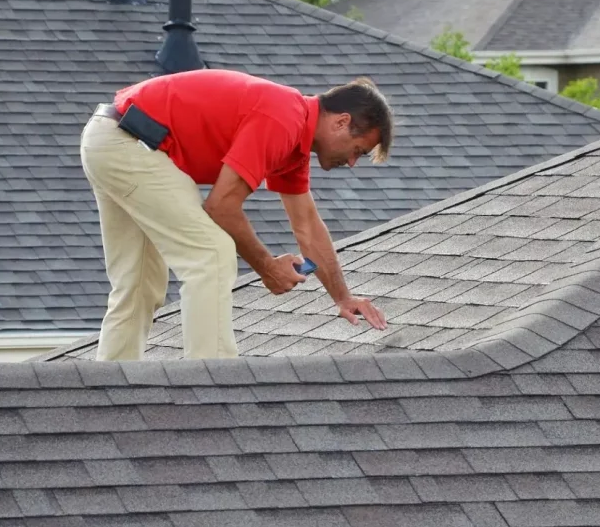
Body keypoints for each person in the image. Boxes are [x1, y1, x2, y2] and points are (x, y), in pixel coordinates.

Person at [79, 68, 393, 361]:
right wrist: (267, 267)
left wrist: (343, 298)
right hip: (130, 144)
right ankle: (213, 388)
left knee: (138, 285)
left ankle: (110, 386)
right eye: (358, 151)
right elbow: (221, 207)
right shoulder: (283, 118)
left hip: (111, 139)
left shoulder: (294, 139)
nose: (352, 163)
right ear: (341, 122)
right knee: (212, 255)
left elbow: (307, 226)